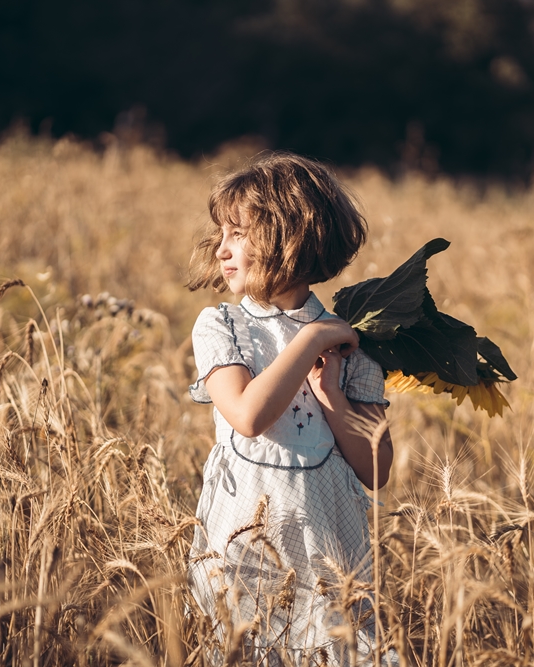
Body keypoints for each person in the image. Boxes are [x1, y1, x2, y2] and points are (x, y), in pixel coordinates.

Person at [186, 153, 395, 666]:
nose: (222, 249)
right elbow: (248, 416)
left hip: (329, 547)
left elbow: (376, 468)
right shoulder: (222, 327)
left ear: (288, 237)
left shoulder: (355, 343)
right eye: (221, 234)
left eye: (238, 234)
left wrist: (333, 397)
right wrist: (314, 338)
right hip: (245, 545)